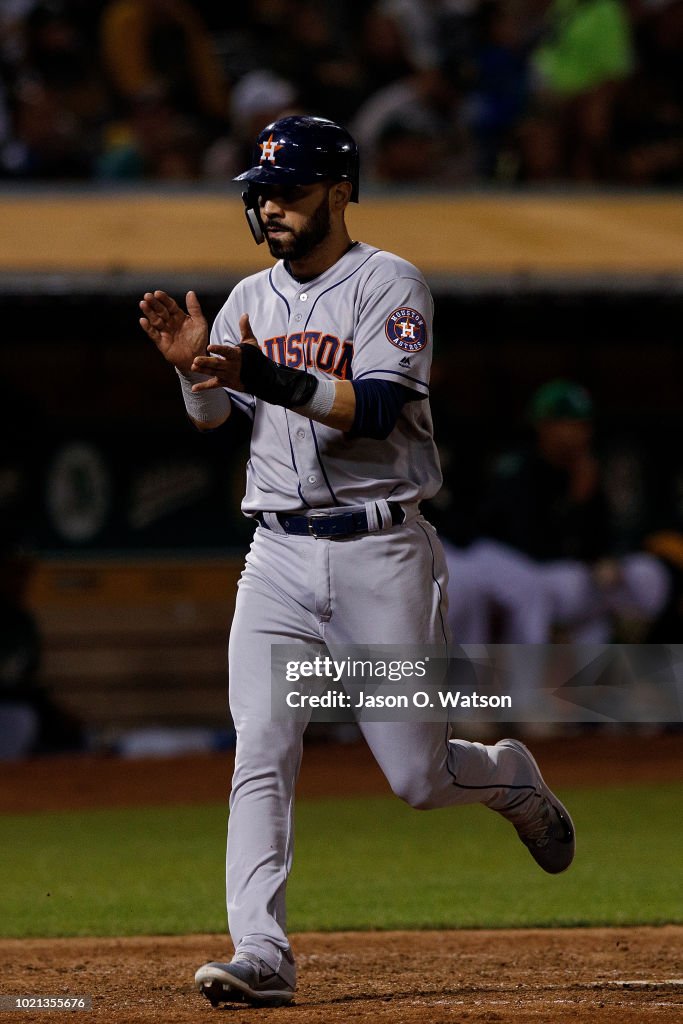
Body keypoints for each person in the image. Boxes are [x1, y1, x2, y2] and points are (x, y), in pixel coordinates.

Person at [139, 115, 575, 1009]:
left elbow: (375, 408)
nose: (270, 206)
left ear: (339, 192)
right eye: (261, 192)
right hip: (275, 554)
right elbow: (214, 418)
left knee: (418, 778)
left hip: (380, 553)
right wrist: (191, 371)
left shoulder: (389, 282)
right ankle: (260, 950)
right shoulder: (248, 295)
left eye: (289, 191)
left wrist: (265, 377)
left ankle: (511, 779)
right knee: (261, 747)